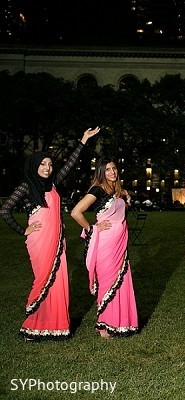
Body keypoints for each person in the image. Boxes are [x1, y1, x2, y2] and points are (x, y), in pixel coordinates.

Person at [0, 126, 100, 341]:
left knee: (60, 281)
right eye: (42, 164)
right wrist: (23, 230)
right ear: (34, 166)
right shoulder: (26, 187)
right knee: (43, 280)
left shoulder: (53, 184)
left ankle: (56, 325)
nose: (47, 168)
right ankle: (33, 325)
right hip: (39, 241)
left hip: (57, 241)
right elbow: (4, 210)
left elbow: (70, 164)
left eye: (50, 164)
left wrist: (83, 140)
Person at [70, 157, 138, 339]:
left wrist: (126, 196)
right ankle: (104, 325)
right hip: (105, 244)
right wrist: (91, 228)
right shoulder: (97, 190)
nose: (112, 172)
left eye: (114, 168)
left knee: (121, 281)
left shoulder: (117, 190)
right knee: (107, 283)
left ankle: (121, 322)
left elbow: (120, 209)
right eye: (107, 169)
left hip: (120, 243)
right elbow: (76, 212)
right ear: (101, 172)